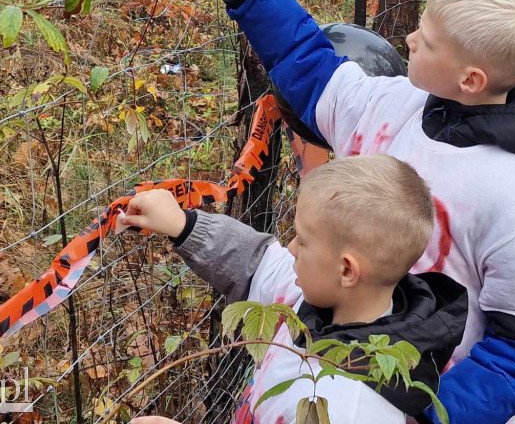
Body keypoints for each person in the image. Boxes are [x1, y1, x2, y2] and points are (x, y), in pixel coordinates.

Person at [207, 0, 515, 423]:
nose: (410, 38)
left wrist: (427, 415)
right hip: (320, 377)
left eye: (429, 39)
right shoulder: (394, 104)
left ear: (470, 78)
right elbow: (311, 68)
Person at [118, 155, 468, 424]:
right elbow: (255, 261)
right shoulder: (325, 298)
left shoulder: (350, 410)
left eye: (303, 239)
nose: (290, 248)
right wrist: (182, 225)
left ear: (346, 269)